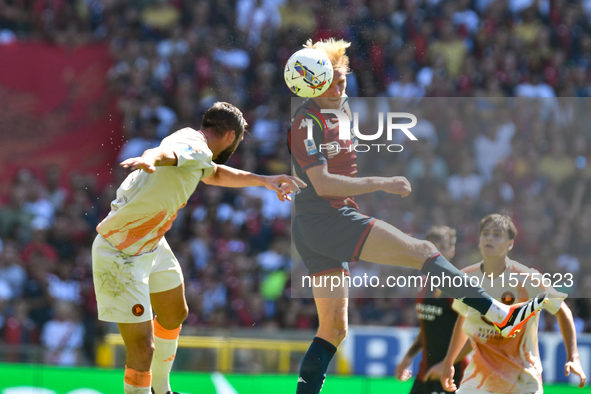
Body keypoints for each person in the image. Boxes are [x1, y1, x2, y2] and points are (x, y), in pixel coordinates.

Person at [288, 38, 549, 394]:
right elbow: (321, 184)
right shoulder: (305, 123)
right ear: (312, 84)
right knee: (425, 252)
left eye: (342, 80)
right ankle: (495, 311)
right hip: (328, 220)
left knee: (333, 328)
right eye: (330, 82)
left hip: (316, 228)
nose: (338, 87)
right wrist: (383, 182)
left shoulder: (339, 109)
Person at [92, 102, 304, 394]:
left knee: (174, 313)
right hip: (120, 254)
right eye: (239, 140)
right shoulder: (192, 146)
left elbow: (214, 173)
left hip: (152, 245)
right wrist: (150, 156)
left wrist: (264, 180)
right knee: (143, 348)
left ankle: (161, 390)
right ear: (231, 136)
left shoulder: (195, 146)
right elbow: (170, 154)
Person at [440, 214, 586, 394]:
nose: (489, 238)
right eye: (485, 233)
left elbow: (562, 311)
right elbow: (463, 320)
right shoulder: (466, 278)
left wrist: (573, 356)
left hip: (522, 380)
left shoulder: (528, 278)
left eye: (497, 234)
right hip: (477, 381)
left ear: (510, 243)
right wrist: (449, 362)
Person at [395, 226, 470, 394]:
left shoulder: (457, 287)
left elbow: (473, 335)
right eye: (432, 248)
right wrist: (408, 356)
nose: (437, 254)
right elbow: (427, 327)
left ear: (452, 251)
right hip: (426, 373)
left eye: (442, 248)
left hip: (452, 376)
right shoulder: (423, 286)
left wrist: (446, 364)